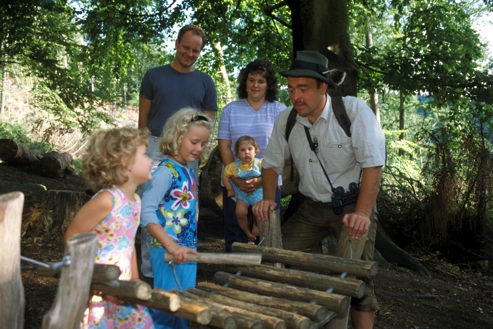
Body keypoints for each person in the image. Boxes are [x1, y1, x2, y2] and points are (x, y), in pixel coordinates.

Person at [252, 50, 386, 329]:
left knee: (357, 278)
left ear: (322, 87)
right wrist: (267, 200)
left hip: (352, 206)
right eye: (291, 89)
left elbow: (373, 165)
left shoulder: (352, 111)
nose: (296, 96)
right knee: (274, 259)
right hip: (311, 207)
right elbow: (270, 164)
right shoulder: (287, 119)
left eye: (303, 89)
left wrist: (362, 212)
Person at [138, 24, 218, 283]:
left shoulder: (205, 81)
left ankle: (183, 260)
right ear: (176, 44)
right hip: (155, 144)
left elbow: (208, 121)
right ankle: (150, 271)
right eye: (186, 47)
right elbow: (143, 117)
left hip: (189, 149)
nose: (190, 53)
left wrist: (198, 147)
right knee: (151, 206)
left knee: (184, 207)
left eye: (196, 50)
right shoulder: (154, 75)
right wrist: (140, 149)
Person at [64, 127, 154, 329]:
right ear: (125, 161)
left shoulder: (136, 201)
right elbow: (73, 236)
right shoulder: (107, 199)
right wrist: (84, 275)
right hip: (98, 285)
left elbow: (128, 243)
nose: (150, 160)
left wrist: (135, 279)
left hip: (122, 287)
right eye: (145, 154)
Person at [140, 108, 212, 329]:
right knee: (166, 308)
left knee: (183, 306)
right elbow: (146, 211)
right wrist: (170, 245)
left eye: (203, 144)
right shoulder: (166, 172)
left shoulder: (188, 171)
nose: (199, 148)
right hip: (166, 250)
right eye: (194, 142)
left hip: (186, 249)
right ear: (177, 136)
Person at [217, 59, 285, 252]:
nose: (255, 85)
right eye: (251, 80)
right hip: (234, 182)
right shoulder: (231, 109)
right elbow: (225, 144)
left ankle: (263, 278)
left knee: (265, 233)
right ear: (244, 82)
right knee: (234, 234)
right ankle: (234, 276)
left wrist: (262, 179)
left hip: (269, 182)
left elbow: (283, 149)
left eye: (261, 81)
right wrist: (237, 177)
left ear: (268, 85)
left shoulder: (279, 110)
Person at [222, 136, 263, 241]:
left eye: (250, 149)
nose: (246, 152)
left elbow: (270, 173)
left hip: (257, 192)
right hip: (242, 194)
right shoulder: (234, 167)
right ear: (237, 154)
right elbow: (225, 176)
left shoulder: (260, 163)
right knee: (240, 212)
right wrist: (230, 189)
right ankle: (247, 232)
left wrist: (275, 182)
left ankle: (256, 225)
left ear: (256, 151)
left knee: (257, 211)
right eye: (243, 150)